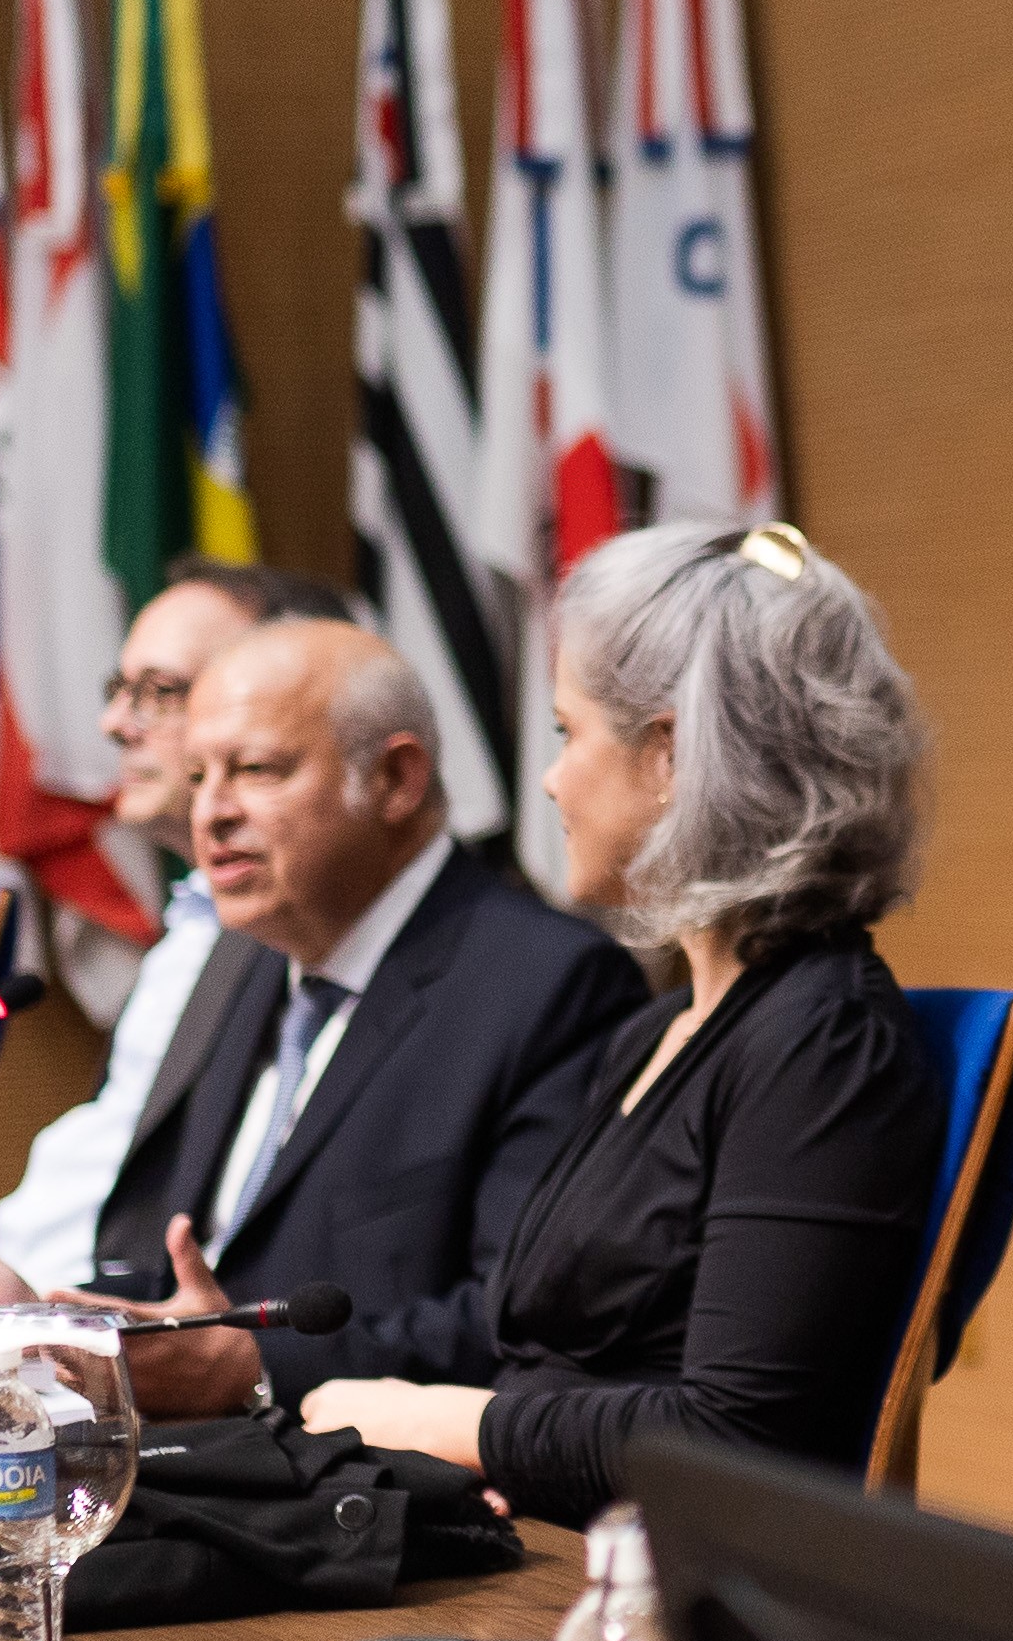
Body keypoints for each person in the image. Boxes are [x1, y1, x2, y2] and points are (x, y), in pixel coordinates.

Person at [301, 520, 947, 1527]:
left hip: (656, 1606)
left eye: (568, 734)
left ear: (672, 756)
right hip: (532, 1543)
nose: (551, 780)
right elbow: (532, 1346)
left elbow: (742, 1438)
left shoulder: (821, 1045)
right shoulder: (658, 1030)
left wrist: (442, 1422)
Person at [0, 620, 649, 1416]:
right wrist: (33, 1324)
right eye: (199, 776)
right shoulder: (245, 955)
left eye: (254, 771)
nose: (211, 814)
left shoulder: (551, 986)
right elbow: (192, 1269)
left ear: (395, 780)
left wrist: (252, 1368)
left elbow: (521, 1324)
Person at [0, 560, 352, 1289]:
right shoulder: (191, 927)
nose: (115, 725)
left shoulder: (303, 942)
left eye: (159, 692)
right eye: (119, 691)